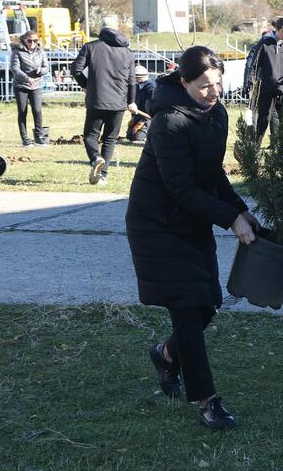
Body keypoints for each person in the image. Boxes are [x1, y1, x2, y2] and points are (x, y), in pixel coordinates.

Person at [126, 45, 260, 431]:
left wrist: (239, 207)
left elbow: (212, 172)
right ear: (183, 82)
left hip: (192, 220)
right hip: (158, 225)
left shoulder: (216, 112)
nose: (213, 92)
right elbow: (180, 188)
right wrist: (230, 219)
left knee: (207, 305)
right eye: (203, 86)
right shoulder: (167, 121)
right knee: (187, 309)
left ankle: (165, 354)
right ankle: (207, 402)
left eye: (218, 83)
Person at [70, 27, 138, 185]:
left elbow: (75, 69)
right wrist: (131, 101)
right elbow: (132, 80)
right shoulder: (127, 52)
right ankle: (102, 175)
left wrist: (86, 85)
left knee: (90, 136)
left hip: (97, 99)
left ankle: (95, 157)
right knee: (110, 139)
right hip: (119, 102)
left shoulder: (91, 47)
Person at [245, 18, 283, 143]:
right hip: (267, 87)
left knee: (282, 120)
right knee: (263, 119)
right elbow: (253, 63)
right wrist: (248, 80)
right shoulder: (265, 43)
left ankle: (278, 149)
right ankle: (255, 148)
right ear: (277, 29)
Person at [9, 31, 50, 147]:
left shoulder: (40, 51)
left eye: (35, 41)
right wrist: (27, 78)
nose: (32, 43)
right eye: (30, 41)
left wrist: (40, 71)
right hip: (21, 86)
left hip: (36, 85)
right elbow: (14, 68)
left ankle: (39, 137)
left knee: (37, 111)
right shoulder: (17, 52)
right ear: (24, 40)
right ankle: (25, 138)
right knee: (22, 111)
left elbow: (46, 67)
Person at [126, 65, 156, 144]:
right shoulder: (136, 85)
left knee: (138, 138)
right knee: (130, 136)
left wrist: (143, 120)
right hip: (137, 115)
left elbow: (152, 108)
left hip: (148, 117)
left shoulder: (152, 87)